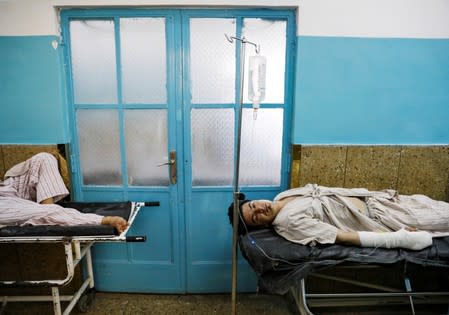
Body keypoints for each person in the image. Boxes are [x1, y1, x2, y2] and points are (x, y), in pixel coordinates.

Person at [228, 184, 449, 251]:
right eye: (255, 218)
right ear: (261, 226)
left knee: (440, 206)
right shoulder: (288, 223)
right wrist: (395, 237)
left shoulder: (283, 195)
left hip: (380, 199)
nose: (259, 210)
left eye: (254, 205)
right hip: (384, 219)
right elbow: (341, 236)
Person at [0, 152, 128, 233]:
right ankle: (51, 216)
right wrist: (103, 220)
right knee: (50, 211)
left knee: (44, 158)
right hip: (5, 205)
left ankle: (48, 216)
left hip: (7, 189)